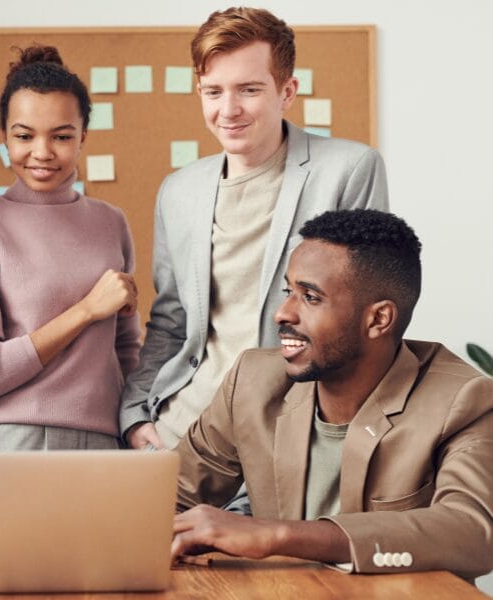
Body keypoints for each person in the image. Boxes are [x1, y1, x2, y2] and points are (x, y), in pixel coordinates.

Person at [120, 7, 389, 452]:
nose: (228, 110)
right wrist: (134, 414)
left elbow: (361, 316)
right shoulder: (178, 191)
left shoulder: (349, 169)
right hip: (180, 433)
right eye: (213, 91)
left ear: (287, 91)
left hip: (290, 431)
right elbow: (171, 321)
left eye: (249, 89)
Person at [171, 209, 493, 580]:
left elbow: (472, 532)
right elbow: (169, 497)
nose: (282, 313)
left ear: (378, 319)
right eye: (288, 291)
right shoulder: (253, 380)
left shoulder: (463, 398)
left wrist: (276, 535)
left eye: (310, 297)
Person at [0, 46, 141, 450]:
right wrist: (87, 310)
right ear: (4, 135)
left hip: (109, 444)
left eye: (62, 136)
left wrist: (138, 427)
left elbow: (126, 351)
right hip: (16, 442)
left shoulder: (111, 222)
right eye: (24, 135)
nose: (42, 152)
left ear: (83, 136)